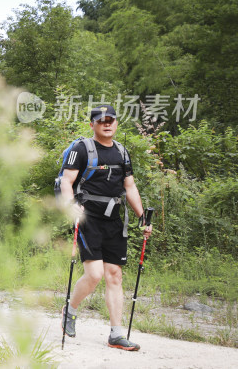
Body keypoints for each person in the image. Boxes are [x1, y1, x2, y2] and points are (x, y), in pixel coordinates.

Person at [59, 104, 153, 351]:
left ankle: (116, 334)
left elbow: (129, 187)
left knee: (114, 275)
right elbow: (67, 182)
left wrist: (142, 216)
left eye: (111, 120)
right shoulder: (81, 149)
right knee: (95, 275)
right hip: (88, 218)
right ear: (93, 124)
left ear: (116, 123)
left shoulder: (122, 152)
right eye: (102, 121)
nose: (107, 124)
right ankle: (69, 310)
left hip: (114, 221)